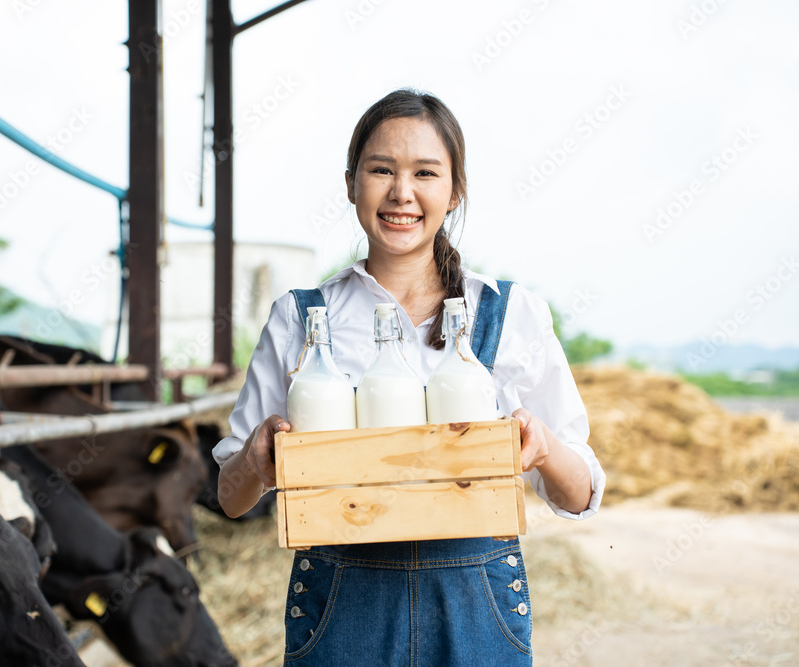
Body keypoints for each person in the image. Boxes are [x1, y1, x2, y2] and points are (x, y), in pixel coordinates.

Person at [214, 89, 606, 667]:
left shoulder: (510, 312)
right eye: (381, 170)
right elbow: (231, 499)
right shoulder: (301, 318)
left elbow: (581, 495)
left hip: (475, 604)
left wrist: (544, 448)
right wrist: (255, 459)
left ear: (455, 190)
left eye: (425, 172)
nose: (402, 192)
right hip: (341, 600)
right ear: (351, 184)